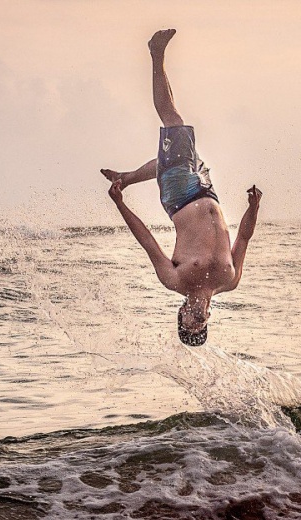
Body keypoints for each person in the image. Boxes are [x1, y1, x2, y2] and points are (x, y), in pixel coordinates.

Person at [102, 29, 262, 346]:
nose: (195, 322)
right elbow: (243, 236)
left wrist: (120, 205)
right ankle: (128, 176)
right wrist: (253, 208)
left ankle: (155, 53)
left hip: (179, 197)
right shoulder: (230, 280)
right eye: (199, 328)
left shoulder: (175, 279)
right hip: (208, 191)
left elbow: (146, 239)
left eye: (188, 325)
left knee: (174, 123)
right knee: (177, 146)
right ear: (208, 321)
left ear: (181, 313)